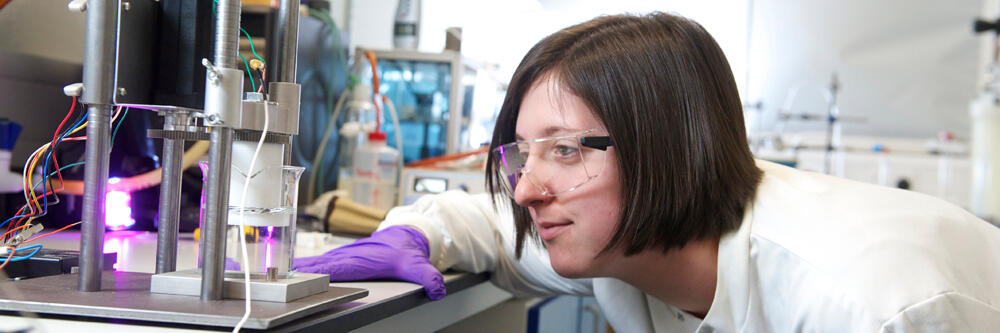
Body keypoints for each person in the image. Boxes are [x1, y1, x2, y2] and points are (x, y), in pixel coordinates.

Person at [294, 12, 1000, 331]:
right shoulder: (624, 245)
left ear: (667, 146)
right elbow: (482, 225)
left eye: (565, 149)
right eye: (522, 151)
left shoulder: (870, 306)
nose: (528, 186)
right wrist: (412, 232)